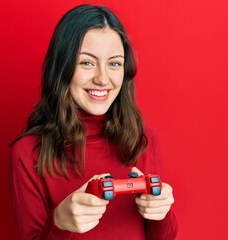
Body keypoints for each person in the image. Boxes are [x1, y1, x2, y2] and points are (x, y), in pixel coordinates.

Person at [10, 4, 178, 239]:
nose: (102, 78)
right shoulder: (27, 153)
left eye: (114, 63)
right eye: (87, 62)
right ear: (62, 67)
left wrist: (161, 212)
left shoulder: (145, 138)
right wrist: (60, 223)